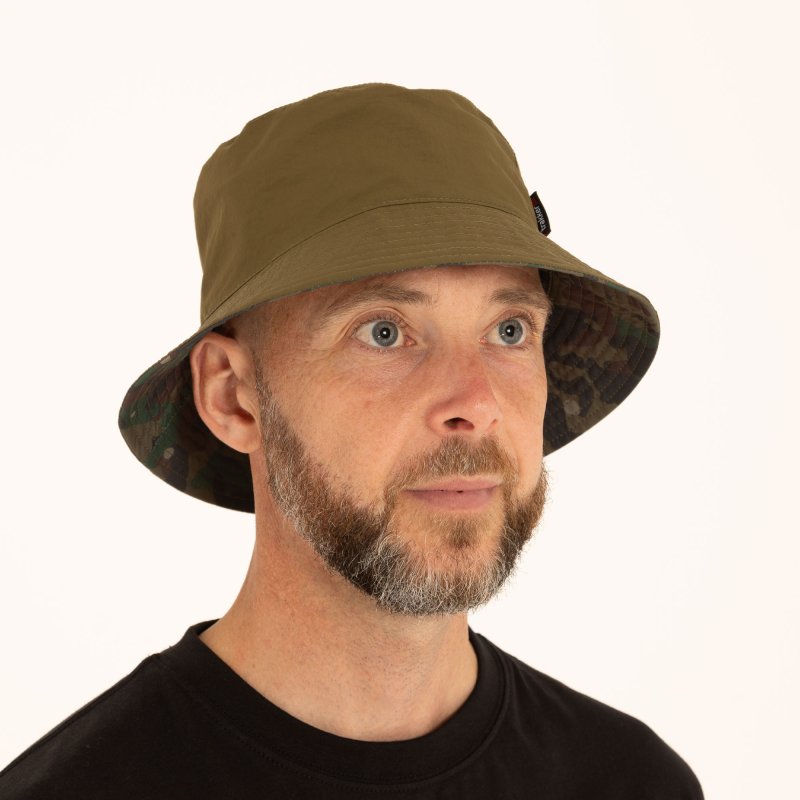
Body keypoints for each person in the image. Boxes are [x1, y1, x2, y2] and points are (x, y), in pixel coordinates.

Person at [0, 82, 704, 798]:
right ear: (233, 395)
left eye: (509, 329)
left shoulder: (631, 783)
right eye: (384, 331)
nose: (476, 403)